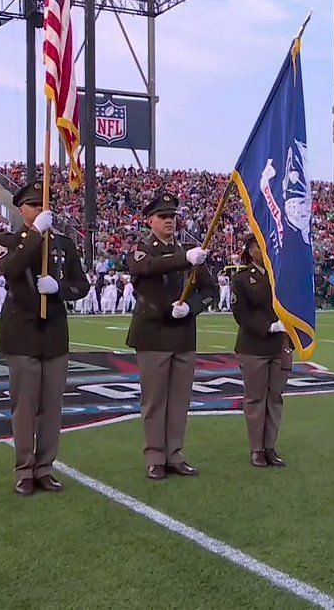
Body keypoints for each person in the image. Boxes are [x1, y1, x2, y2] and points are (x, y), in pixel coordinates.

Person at [0, 181, 90, 496]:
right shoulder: (8, 239)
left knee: (51, 406)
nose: (40, 210)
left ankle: (45, 467)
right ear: (22, 209)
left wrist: (59, 289)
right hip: (21, 333)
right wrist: (35, 235)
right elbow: (10, 267)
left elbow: (82, 285)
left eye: (44, 205)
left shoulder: (64, 244)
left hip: (55, 333)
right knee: (25, 406)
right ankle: (24, 470)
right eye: (33, 205)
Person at [126, 192, 217, 480]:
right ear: (150, 220)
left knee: (179, 400)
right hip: (153, 334)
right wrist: (184, 259)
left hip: (181, 334)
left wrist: (192, 307)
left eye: (173, 216)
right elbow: (145, 268)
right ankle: (155, 455)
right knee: (154, 401)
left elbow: (211, 290)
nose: (169, 221)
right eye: (163, 216)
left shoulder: (191, 253)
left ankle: (174, 454)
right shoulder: (143, 249)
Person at [230, 233, 292, 468]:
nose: (262, 249)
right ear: (249, 249)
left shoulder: (281, 275)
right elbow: (241, 314)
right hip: (254, 345)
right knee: (256, 398)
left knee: (275, 398)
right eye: (258, 245)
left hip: (280, 345)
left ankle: (270, 446)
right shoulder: (243, 279)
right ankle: (256, 448)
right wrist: (268, 326)